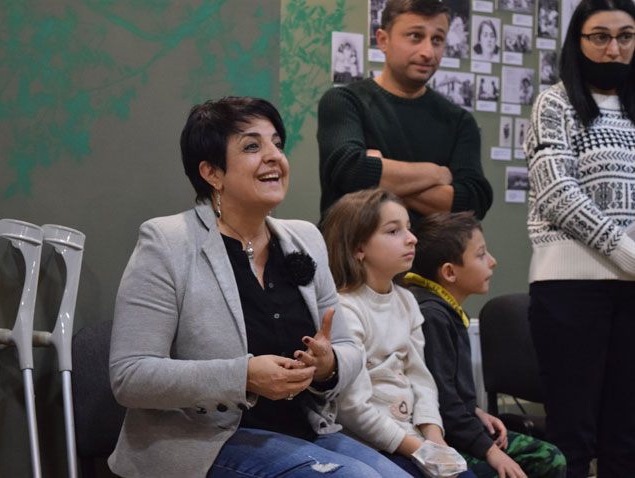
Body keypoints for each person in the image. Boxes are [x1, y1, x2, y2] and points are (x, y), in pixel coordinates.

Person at [108, 97, 413, 478]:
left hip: (304, 430)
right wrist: (244, 376)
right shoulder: (167, 242)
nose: (274, 157)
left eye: (277, 144)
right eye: (252, 146)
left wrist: (327, 365)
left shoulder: (306, 239)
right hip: (205, 441)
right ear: (212, 172)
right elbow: (130, 376)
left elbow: (348, 348)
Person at [524, 0, 635, 475]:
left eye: (626, 36)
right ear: (579, 42)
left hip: (631, 292)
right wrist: (629, 255)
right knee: (572, 437)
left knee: (626, 439)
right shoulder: (555, 102)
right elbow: (557, 193)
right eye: (600, 37)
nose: (614, 49)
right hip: (569, 290)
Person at [321, 189, 475, 478]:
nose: (412, 238)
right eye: (394, 231)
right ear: (358, 248)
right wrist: (418, 449)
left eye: (409, 228)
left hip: (412, 437)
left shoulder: (406, 301)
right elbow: (351, 406)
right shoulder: (346, 309)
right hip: (369, 443)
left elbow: (421, 379)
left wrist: (435, 439)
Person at [404, 212, 567, 478]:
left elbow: (451, 393)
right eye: (481, 255)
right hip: (446, 435)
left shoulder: (444, 309)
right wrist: (490, 451)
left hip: (463, 425)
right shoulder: (432, 316)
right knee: (541, 462)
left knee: (550, 457)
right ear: (449, 272)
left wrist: (477, 411)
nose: (492, 261)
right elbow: (443, 404)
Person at [317, 0, 492, 227]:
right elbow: (349, 171)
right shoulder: (344, 102)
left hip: (430, 251)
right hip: (352, 249)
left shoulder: (459, 121)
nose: (428, 52)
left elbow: (473, 202)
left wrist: (376, 178)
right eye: (415, 36)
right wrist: (436, 174)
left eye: (437, 40)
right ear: (383, 40)